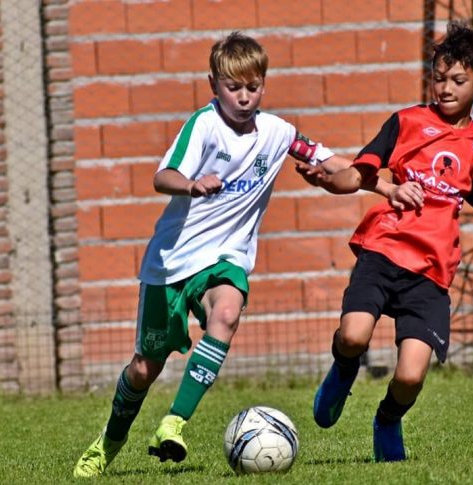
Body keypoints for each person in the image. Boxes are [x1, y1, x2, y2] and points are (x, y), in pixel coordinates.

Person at [73, 31, 354, 477]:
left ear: (264, 84)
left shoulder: (278, 133)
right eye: (233, 87)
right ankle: (110, 441)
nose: (244, 97)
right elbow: (162, 176)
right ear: (213, 85)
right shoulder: (204, 126)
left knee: (226, 311)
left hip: (226, 258)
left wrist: (383, 184)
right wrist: (192, 184)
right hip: (172, 262)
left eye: (253, 87)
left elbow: (336, 162)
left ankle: (174, 423)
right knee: (144, 368)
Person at [303, 22, 473, 462]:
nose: (446, 88)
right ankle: (343, 369)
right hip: (383, 250)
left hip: (431, 274)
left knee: (410, 377)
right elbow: (358, 175)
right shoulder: (407, 122)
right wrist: (326, 181)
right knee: (353, 335)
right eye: (439, 77)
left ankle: (388, 420)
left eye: (458, 80)